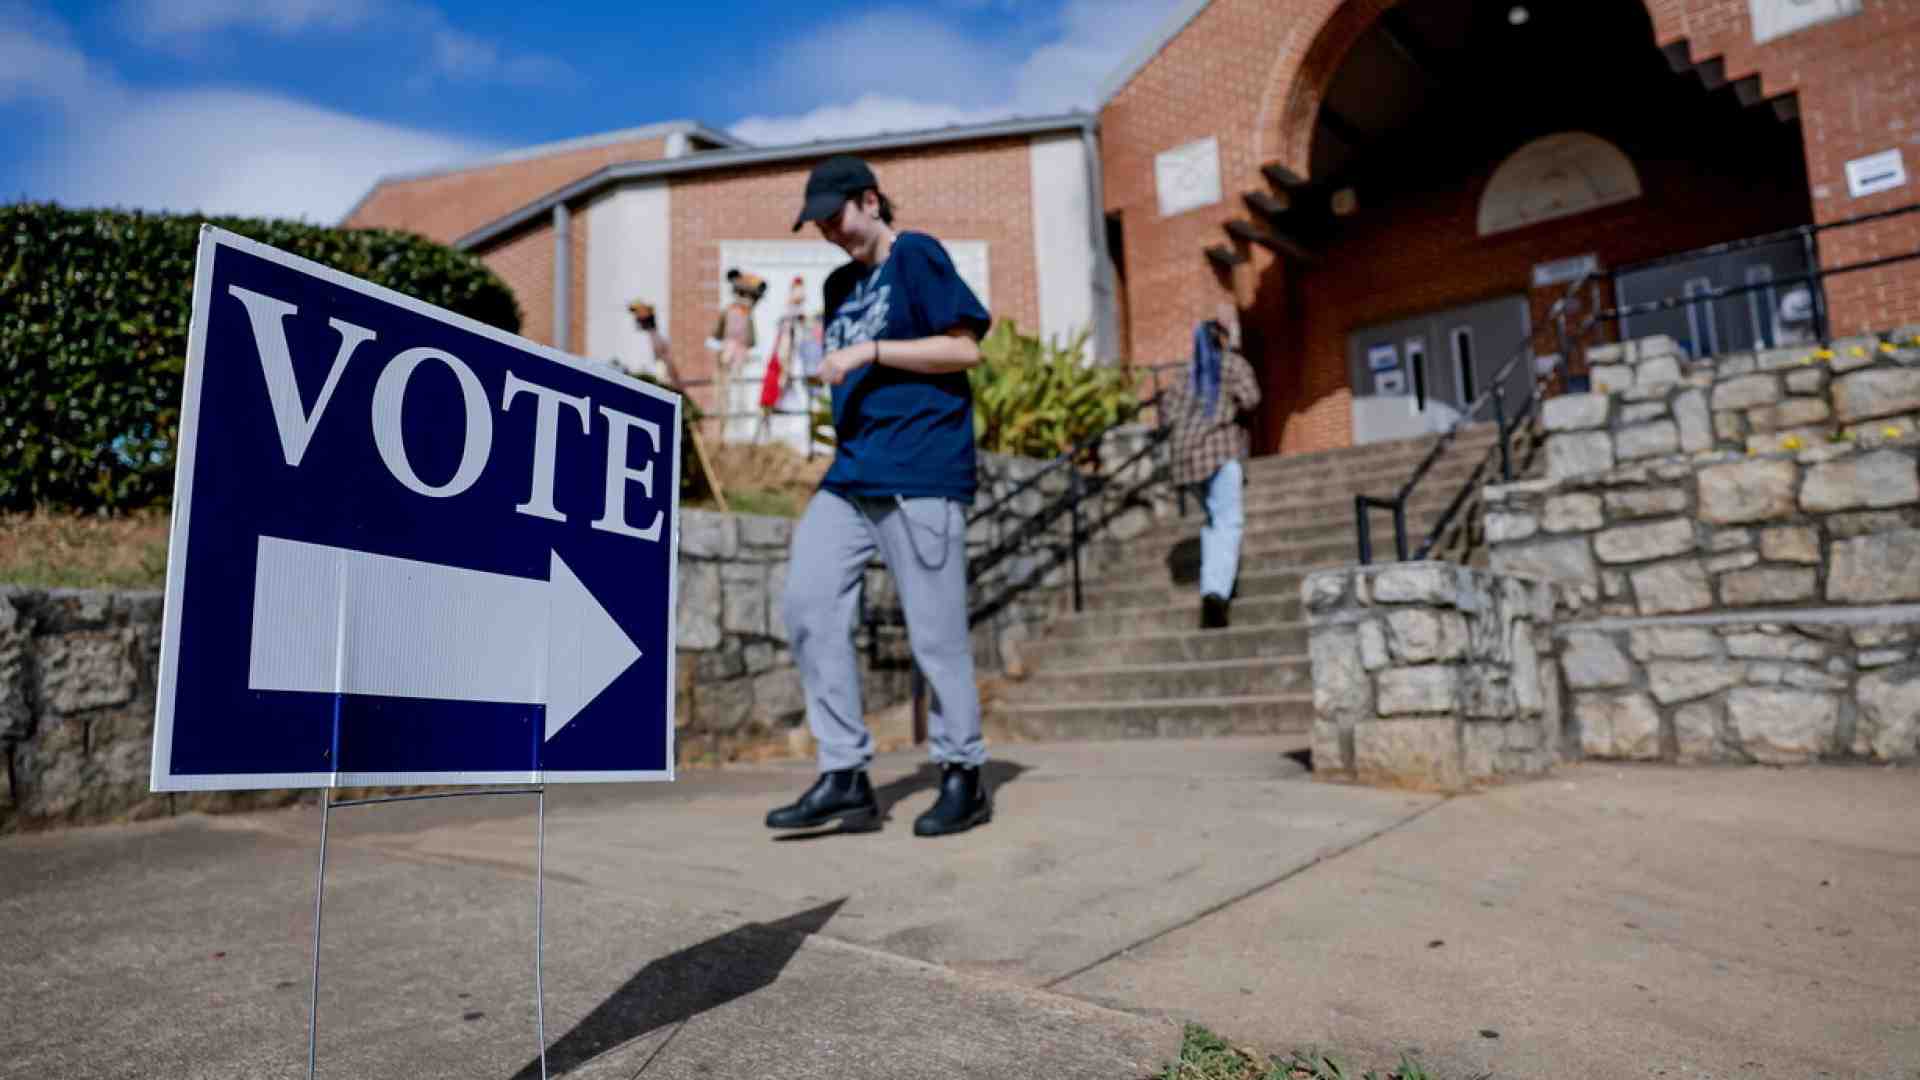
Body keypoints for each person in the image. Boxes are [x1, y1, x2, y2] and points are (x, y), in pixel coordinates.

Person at [765, 154, 993, 838]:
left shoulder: (915, 255)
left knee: (936, 633)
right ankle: (845, 777)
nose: (829, 232)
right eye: (819, 224)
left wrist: (870, 354)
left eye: (835, 216)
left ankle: (963, 773)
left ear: (869, 200)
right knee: (807, 605)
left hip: (921, 467)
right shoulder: (839, 286)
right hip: (852, 471)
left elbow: (964, 351)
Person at [1163, 305, 1261, 630]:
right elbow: (1251, 399)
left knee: (1214, 523)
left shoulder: (1185, 375)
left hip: (1186, 461)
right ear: (1221, 338)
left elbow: (1166, 415)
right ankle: (1215, 595)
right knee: (1228, 523)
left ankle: (1215, 586)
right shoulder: (1231, 365)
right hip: (1219, 453)